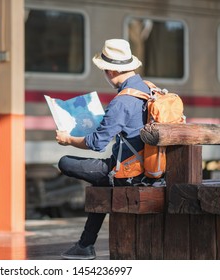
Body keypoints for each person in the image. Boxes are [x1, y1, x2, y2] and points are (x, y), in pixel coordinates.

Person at [55, 39, 150, 260]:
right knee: (100, 180)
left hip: (130, 174)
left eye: (105, 70)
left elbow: (97, 144)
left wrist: (68, 138)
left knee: (65, 162)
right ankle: (84, 245)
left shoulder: (121, 102)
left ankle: (85, 245)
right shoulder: (147, 89)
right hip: (150, 169)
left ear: (112, 70)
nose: (105, 75)